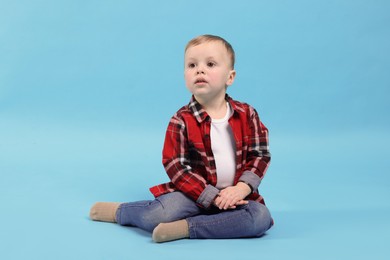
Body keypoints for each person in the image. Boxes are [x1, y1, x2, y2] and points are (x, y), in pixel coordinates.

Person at [90, 34, 273, 243]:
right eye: (192, 65)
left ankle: (186, 228)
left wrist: (241, 189)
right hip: (195, 195)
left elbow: (260, 155)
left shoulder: (247, 114)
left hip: (235, 195)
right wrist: (210, 196)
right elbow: (175, 165)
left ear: (230, 77)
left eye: (210, 64)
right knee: (159, 215)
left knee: (260, 218)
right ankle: (120, 212)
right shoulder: (181, 120)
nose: (199, 70)